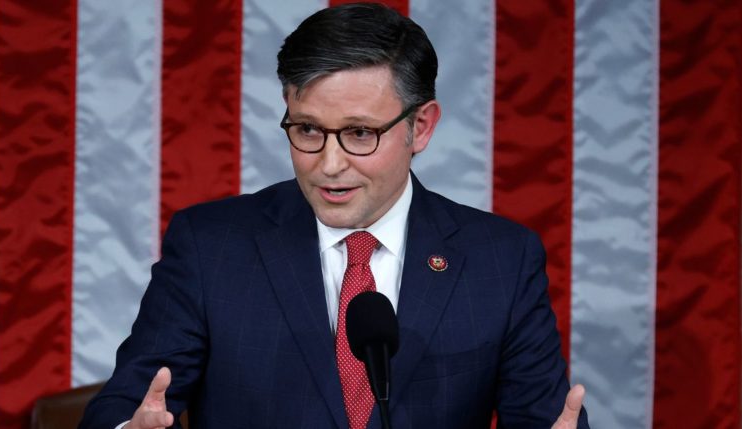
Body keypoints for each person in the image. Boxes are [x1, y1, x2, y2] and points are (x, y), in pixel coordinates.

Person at [79, 3, 589, 428]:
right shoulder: (211, 245)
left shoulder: (499, 258)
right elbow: (126, 405)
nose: (329, 163)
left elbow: (544, 419)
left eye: (360, 133)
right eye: (307, 129)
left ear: (422, 127)